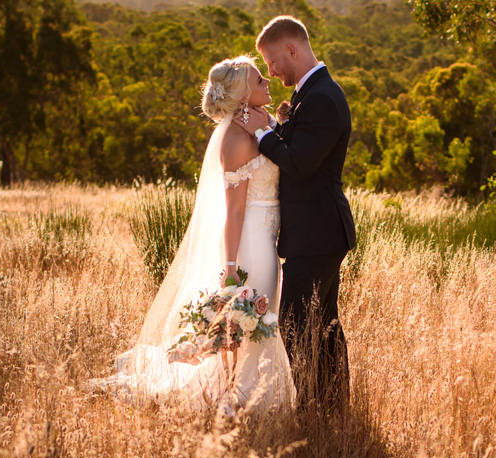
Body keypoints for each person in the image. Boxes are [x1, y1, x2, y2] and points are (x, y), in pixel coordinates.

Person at [90, 56, 295, 416]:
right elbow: (233, 211)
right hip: (252, 242)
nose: (268, 83)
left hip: (268, 235)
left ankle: (245, 390)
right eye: (259, 79)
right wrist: (231, 267)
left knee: (259, 317)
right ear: (244, 94)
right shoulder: (235, 138)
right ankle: (242, 395)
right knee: (254, 318)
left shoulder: (260, 123)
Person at [235, 15, 355, 414]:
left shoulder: (322, 96)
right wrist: (278, 126)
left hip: (318, 232)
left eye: (271, 63)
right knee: (323, 326)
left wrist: (264, 133)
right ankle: (331, 406)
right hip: (315, 232)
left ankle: (314, 408)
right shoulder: (312, 93)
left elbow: (300, 163)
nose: (271, 72)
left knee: (295, 325)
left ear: (292, 49)